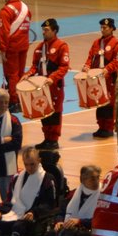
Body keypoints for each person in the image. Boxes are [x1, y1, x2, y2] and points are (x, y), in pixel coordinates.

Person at [29, 18, 72, 149]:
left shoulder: (61, 46)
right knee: (43, 111)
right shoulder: (39, 47)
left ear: (54, 31)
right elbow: (34, 67)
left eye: (47, 30)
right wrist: (26, 76)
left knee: (55, 112)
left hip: (55, 87)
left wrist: (52, 78)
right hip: (42, 87)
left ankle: (53, 139)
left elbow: (64, 67)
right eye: (43, 30)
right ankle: (47, 138)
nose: (44, 32)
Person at [82, 18, 118, 139]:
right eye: (101, 28)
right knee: (98, 102)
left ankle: (109, 128)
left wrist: (108, 69)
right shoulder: (96, 42)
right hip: (96, 79)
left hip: (109, 79)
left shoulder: (117, 43)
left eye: (105, 28)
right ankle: (101, 127)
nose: (102, 30)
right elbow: (90, 57)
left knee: (109, 104)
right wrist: (87, 66)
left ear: (111, 28)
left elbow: (117, 61)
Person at [0, 0, 31, 109]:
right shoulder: (26, 8)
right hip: (24, 45)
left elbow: (3, 32)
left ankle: (14, 101)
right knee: (21, 73)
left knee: (12, 75)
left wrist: (3, 49)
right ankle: (21, 99)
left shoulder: (6, 11)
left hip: (11, 47)